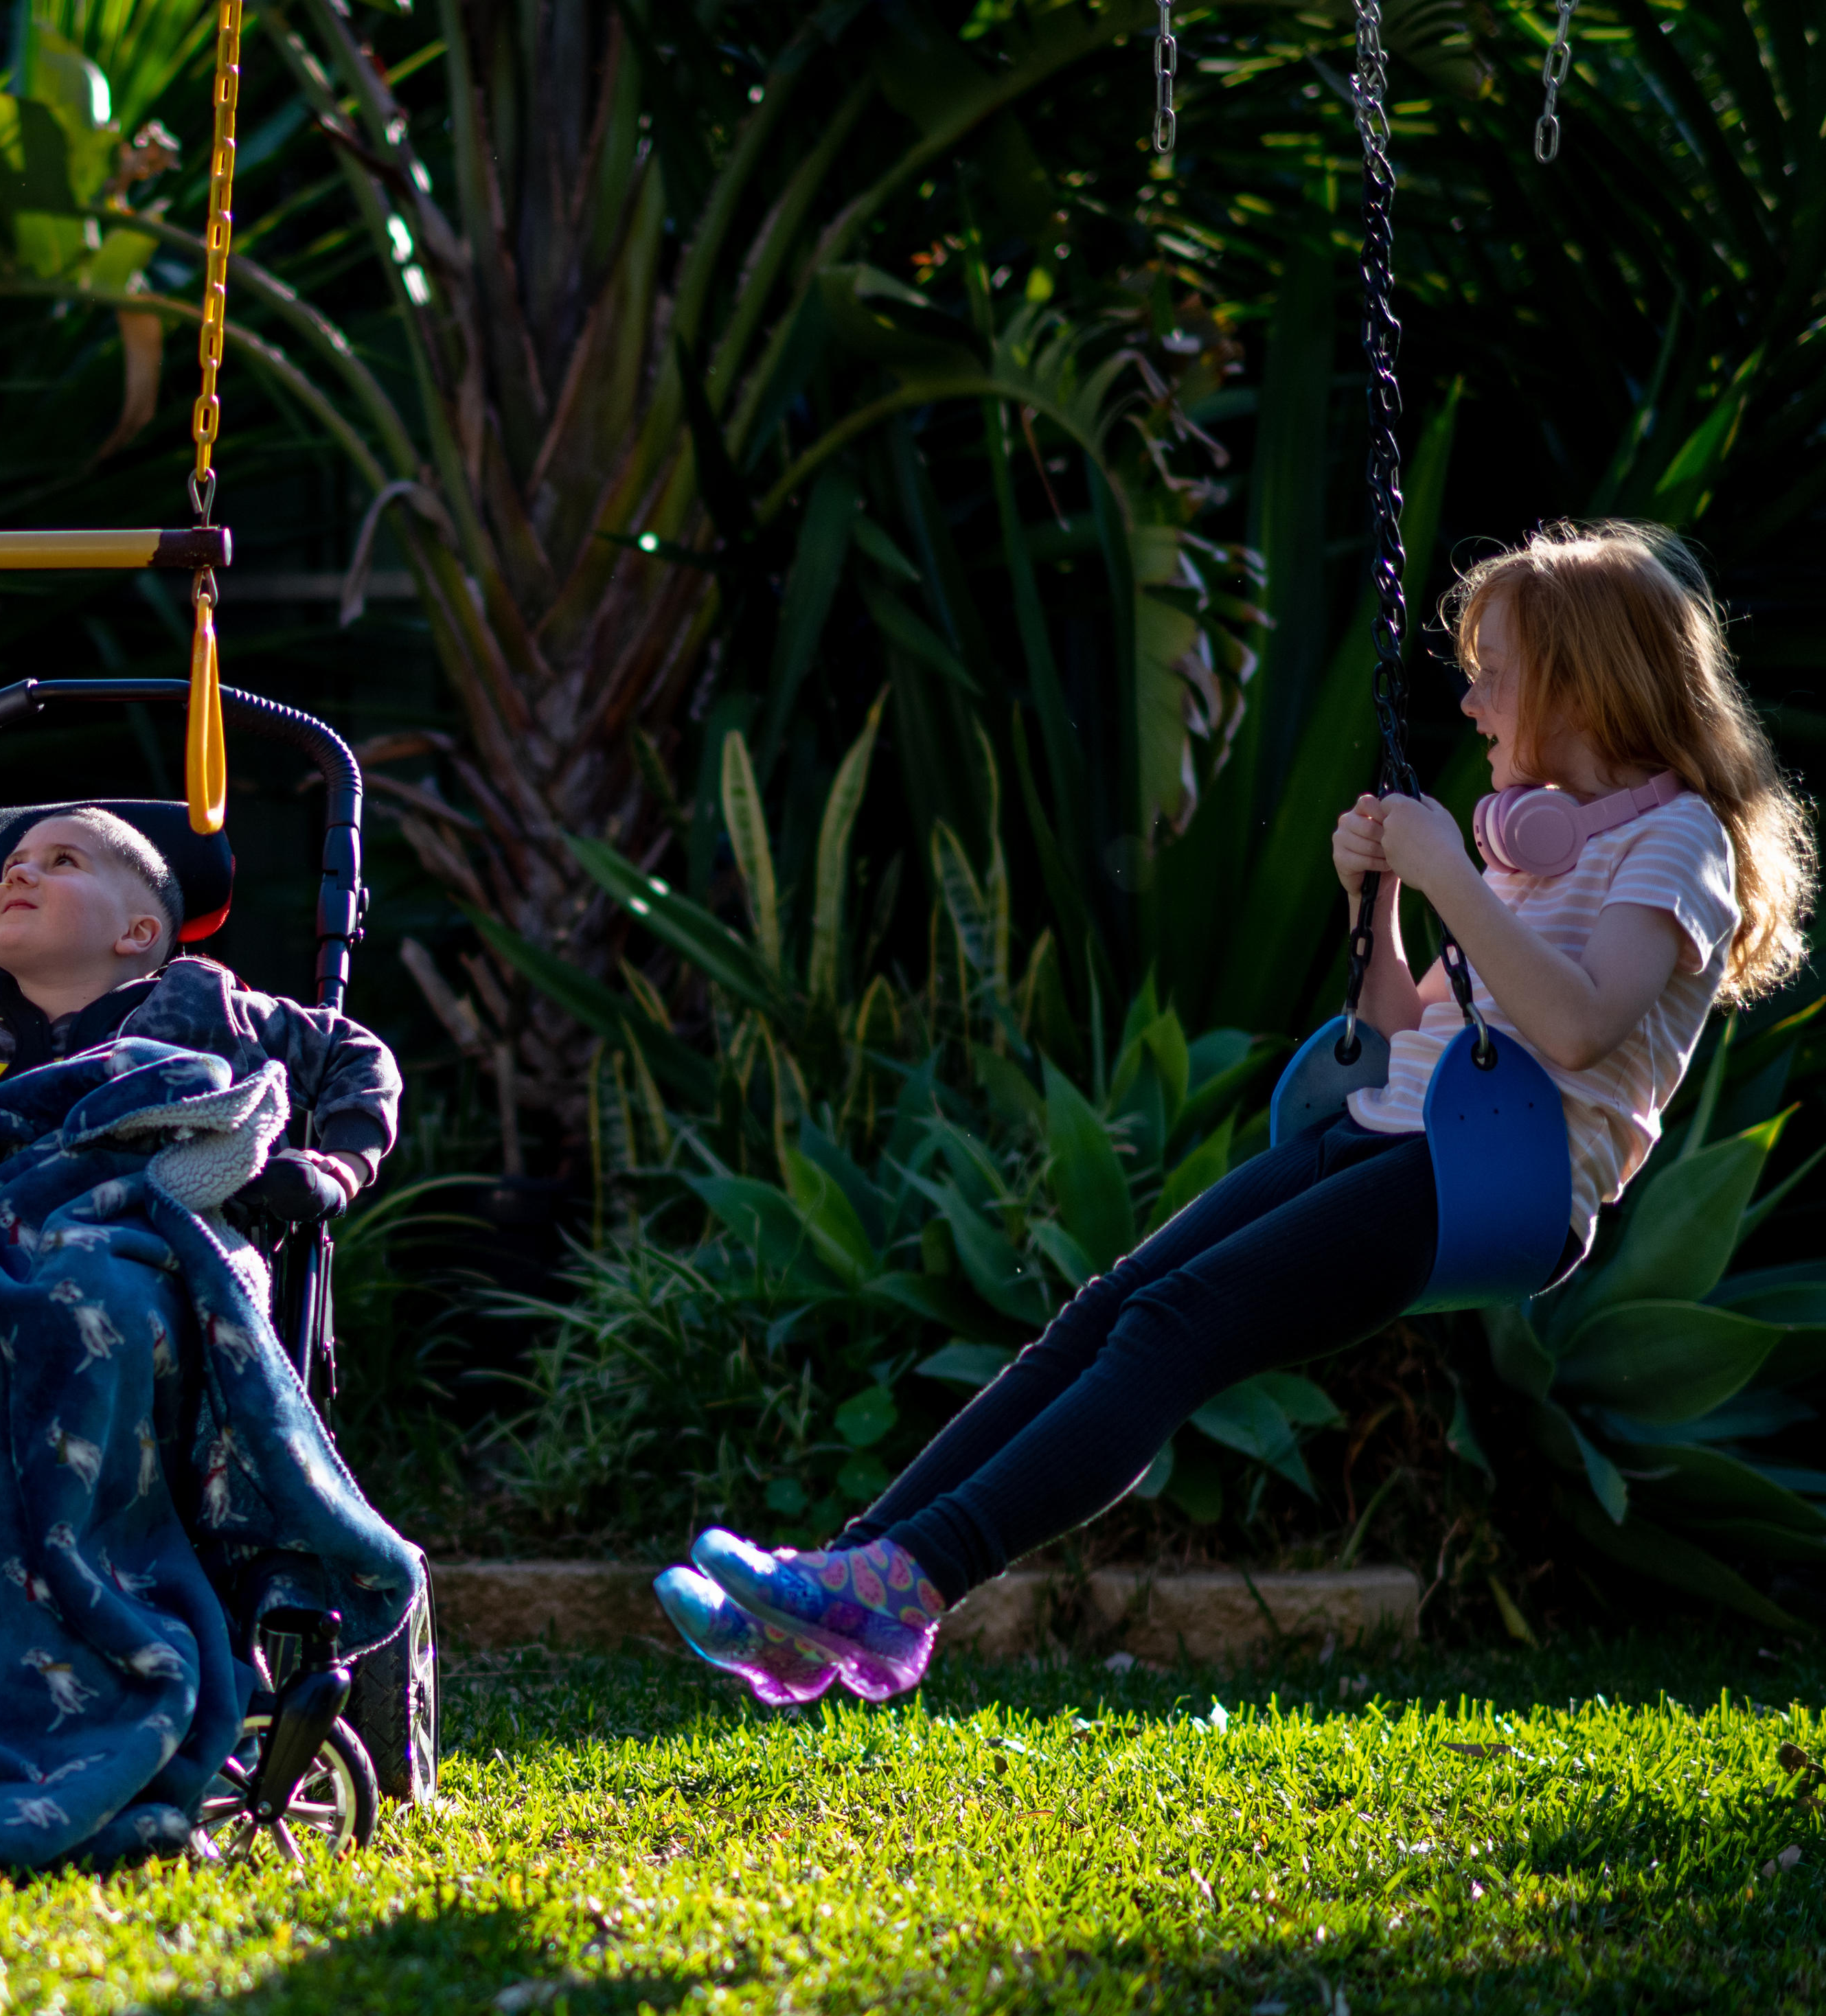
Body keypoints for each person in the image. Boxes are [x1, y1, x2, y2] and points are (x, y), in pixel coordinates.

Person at [659, 520, 1814, 1706]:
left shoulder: (1681, 846)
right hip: (1399, 1133)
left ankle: (912, 1584)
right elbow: (1405, 1025)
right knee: (1104, 1308)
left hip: (1498, 1176)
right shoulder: (1532, 839)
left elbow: (1576, 1027)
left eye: (1494, 675)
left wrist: (1449, 874)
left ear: (1580, 681)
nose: (1471, 703)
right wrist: (1381, 900)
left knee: (1174, 1326)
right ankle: (849, 1578)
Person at [0, 807, 400, 1222]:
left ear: (137, 933)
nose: (18, 873)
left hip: (162, 1245)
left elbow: (353, 1054)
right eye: (12, 864)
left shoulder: (206, 1008)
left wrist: (344, 1164)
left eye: (63, 860)